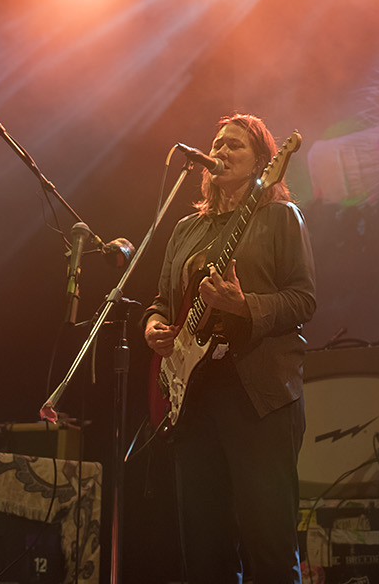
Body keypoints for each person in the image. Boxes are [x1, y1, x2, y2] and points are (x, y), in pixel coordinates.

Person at [143, 113, 317, 584]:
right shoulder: (184, 229)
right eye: (217, 143)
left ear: (265, 163)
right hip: (194, 398)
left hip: (257, 393)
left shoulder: (280, 216)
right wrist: (154, 326)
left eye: (235, 145)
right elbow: (161, 302)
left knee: (268, 545)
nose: (220, 150)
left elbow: (303, 299)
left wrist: (245, 306)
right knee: (203, 550)